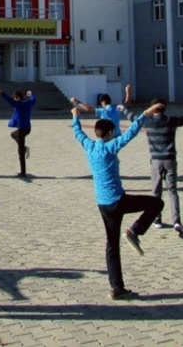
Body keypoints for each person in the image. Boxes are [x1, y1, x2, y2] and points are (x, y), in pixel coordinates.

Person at [71, 102, 165, 300]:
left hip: (103, 204)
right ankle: (135, 230)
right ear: (109, 133)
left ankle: (116, 287)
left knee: (112, 245)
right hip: (117, 201)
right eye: (113, 131)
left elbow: (78, 134)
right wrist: (145, 113)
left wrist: (74, 116)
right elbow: (131, 133)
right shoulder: (111, 147)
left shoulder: (90, 146)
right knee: (157, 204)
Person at [121, 95, 183, 238]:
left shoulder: (147, 122)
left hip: (156, 161)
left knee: (156, 192)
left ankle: (157, 219)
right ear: (165, 108)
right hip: (170, 160)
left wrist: (123, 108)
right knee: (172, 191)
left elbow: (133, 118)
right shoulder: (171, 120)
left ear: (152, 109)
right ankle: (177, 221)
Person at [0, 89, 36, 177]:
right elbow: (33, 99)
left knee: (20, 153)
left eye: (16, 97)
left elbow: (8, 100)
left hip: (22, 130)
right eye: (14, 97)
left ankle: (23, 172)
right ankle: (24, 148)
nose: (15, 99)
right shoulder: (28, 103)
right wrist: (31, 93)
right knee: (13, 134)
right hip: (27, 129)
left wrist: (1, 92)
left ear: (19, 97)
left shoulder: (18, 104)